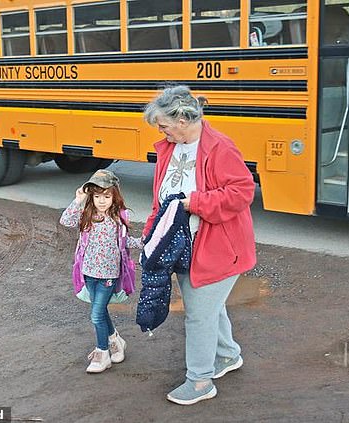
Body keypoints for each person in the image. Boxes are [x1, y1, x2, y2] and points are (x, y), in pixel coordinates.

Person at [143, 86, 256, 405]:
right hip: (181, 244)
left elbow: (242, 192)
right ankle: (228, 356)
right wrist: (152, 232)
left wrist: (196, 202)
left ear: (181, 118)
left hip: (217, 247)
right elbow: (161, 197)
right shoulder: (170, 146)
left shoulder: (220, 147)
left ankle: (200, 381)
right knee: (208, 305)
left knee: (199, 313)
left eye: (163, 124)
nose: (160, 130)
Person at [60, 169, 143, 373]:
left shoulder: (118, 218)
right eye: (97, 196)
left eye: (106, 196)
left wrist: (144, 242)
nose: (101, 201)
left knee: (96, 315)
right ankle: (115, 340)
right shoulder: (86, 215)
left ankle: (102, 352)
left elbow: (124, 243)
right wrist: (78, 200)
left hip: (108, 275)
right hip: (88, 273)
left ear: (114, 196)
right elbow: (65, 221)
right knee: (101, 310)